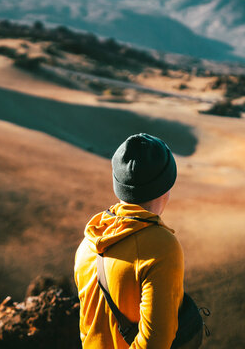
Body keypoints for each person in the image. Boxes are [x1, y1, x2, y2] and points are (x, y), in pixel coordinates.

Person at [74, 133, 184, 348]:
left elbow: (87, 329)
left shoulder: (88, 243)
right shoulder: (161, 246)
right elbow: (156, 341)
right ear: (166, 185)